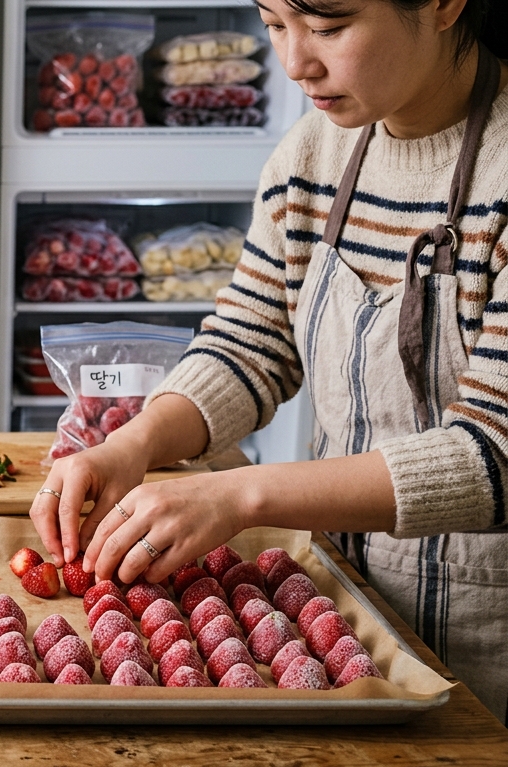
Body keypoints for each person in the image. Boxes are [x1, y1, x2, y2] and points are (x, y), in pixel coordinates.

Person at [29, 0, 508, 718]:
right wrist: (133, 444)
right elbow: (251, 341)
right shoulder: (314, 153)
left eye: (329, 26)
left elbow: (494, 454)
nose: (294, 63)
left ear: (442, 5)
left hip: (483, 643)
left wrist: (238, 496)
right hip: (343, 610)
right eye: (274, 23)